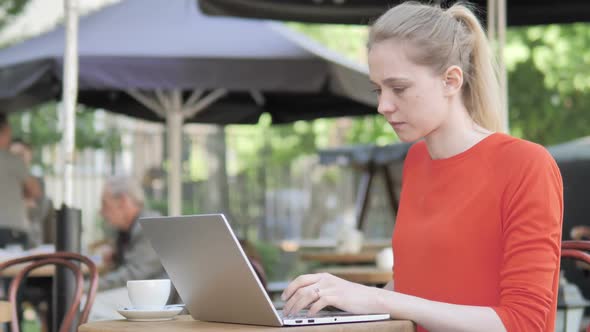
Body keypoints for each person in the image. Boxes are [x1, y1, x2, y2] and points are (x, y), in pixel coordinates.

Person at [281, 3, 563, 332]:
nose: (383, 106)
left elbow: (525, 324)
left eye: (398, 88)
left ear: (451, 80)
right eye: (378, 89)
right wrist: (338, 302)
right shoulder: (416, 160)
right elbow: (417, 289)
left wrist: (374, 299)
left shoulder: (526, 165)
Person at [89, 175, 166, 320]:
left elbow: (132, 276)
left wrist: (87, 287)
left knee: (87, 305)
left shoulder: (148, 225)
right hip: (139, 295)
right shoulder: (128, 230)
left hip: (152, 300)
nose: (102, 212)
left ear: (123, 201)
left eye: (105, 204)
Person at [0, 113, 41, 248]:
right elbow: (35, 191)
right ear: (5, 130)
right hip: (11, 229)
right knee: (14, 268)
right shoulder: (13, 160)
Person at [10, 139, 56, 246]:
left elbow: (38, 213)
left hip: (31, 242)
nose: (16, 159)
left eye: (20, 155)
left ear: (29, 156)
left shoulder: (38, 182)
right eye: (12, 155)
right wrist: (25, 203)